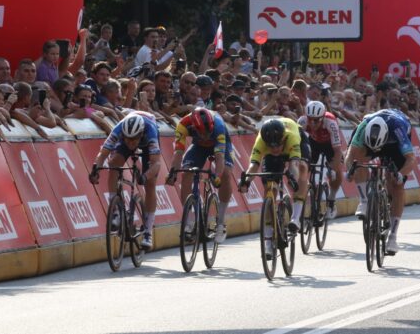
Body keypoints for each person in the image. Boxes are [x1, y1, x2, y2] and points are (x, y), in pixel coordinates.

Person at [344, 109, 415, 255]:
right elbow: (350, 156)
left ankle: (393, 237)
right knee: (358, 162)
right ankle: (364, 200)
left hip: (394, 144)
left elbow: (411, 159)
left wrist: (401, 175)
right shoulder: (363, 127)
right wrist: (350, 170)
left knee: (397, 185)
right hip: (369, 140)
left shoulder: (398, 128)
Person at [238, 118, 310, 259]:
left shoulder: (292, 137)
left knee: (302, 167)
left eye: (278, 145)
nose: (275, 149)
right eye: (271, 146)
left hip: (296, 142)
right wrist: (246, 182)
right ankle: (268, 241)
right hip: (272, 156)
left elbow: (293, 165)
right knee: (269, 188)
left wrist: (292, 179)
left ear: (283, 138)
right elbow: (253, 167)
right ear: (266, 143)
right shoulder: (261, 141)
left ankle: (295, 218)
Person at [89, 112, 162, 249]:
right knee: (114, 164)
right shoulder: (119, 129)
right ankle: (115, 211)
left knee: (150, 183)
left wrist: (145, 176)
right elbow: (103, 153)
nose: (130, 143)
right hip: (127, 129)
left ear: (140, 135)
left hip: (148, 141)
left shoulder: (150, 132)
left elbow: (157, 164)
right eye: (127, 139)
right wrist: (95, 169)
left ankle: (148, 232)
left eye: (133, 140)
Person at [166, 108, 233, 243]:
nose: (206, 135)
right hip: (198, 147)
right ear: (194, 128)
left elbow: (219, 157)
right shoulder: (183, 125)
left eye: (208, 132)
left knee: (225, 174)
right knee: (186, 174)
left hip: (219, 146)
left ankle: (220, 223)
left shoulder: (218, 126)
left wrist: (217, 176)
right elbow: (178, 152)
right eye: (202, 133)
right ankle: (189, 221)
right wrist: (172, 173)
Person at [297, 101, 343, 218]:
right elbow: (297, 144)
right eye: (310, 119)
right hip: (314, 143)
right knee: (305, 165)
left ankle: (331, 200)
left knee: (337, 170)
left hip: (330, 144)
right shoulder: (302, 121)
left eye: (316, 120)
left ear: (322, 118)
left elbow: (337, 151)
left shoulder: (330, 122)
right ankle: (311, 189)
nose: (312, 123)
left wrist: (333, 168)